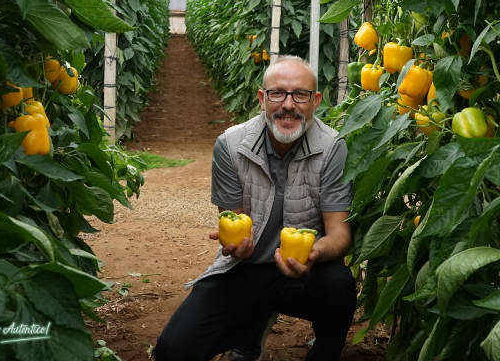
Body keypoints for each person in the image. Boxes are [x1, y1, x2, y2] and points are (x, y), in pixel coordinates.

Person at [153, 56, 357, 361]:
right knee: (173, 351)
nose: (288, 104)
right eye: (277, 93)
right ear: (262, 98)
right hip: (244, 270)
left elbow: (339, 235)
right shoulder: (231, 146)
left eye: (300, 94)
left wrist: (313, 252)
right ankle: (249, 333)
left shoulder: (332, 147)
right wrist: (237, 246)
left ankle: (324, 353)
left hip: (300, 273)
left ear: (315, 101)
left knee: (339, 286)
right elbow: (231, 219)